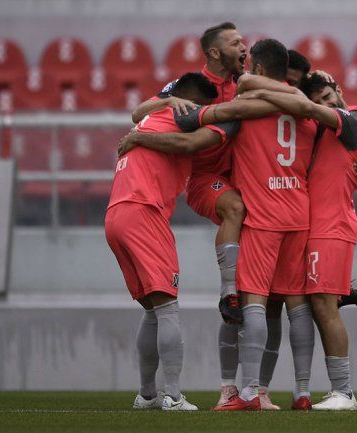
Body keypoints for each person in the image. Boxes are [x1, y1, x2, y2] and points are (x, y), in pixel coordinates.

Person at [105, 72, 240, 411]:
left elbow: (139, 112)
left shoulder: (152, 117)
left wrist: (141, 133)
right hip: (144, 212)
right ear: (194, 104)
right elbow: (189, 143)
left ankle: (148, 394)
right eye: (204, 109)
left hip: (116, 214)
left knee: (152, 309)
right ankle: (173, 395)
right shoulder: (183, 117)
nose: (204, 116)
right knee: (167, 307)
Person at [240, 71, 357, 410]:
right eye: (321, 99)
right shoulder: (318, 134)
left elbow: (310, 111)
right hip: (316, 229)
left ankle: (344, 391)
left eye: (329, 96)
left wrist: (265, 90)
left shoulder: (348, 118)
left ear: (339, 93)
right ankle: (327, 390)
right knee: (318, 307)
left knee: (325, 308)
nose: (327, 104)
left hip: (332, 227)